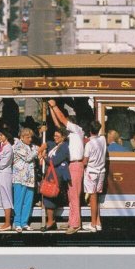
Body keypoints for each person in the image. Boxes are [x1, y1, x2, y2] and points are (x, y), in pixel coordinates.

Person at [47, 99, 84, 234]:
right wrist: (51, 110)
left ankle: (75, 224)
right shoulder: (72, 134)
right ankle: (72, 222)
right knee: (71, 195)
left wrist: (55, 105)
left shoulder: (76, 129)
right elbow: (58, 123)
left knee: (74, 196)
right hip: (72, 165)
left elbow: (62, 119)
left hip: (76, 165)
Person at [12, 128, 46, 232]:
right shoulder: (18, 146)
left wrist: (41, 135)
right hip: (20, 178)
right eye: (28, 137)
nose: (30, 139)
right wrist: (39, 150)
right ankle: (17, 222)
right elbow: (28, 157)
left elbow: (40, 147)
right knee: (19, 201)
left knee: (28, 201)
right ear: (22, 137)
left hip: (30, 178)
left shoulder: (32, 146)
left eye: (31, 137)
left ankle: (24, 222)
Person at [39, 127, 71, 232]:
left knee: (50, 195)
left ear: (63, 137)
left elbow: (55, 161)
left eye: (57, 136)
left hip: (57, 175)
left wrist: (44, 158)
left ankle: (50, 222)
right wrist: (40, 149)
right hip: (51, 174)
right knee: (48, 196)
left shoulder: (64, 147)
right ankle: (51, 220)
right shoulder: (56, 145)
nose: (55, 138)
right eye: (54, 136)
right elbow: (48, 143)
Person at [82, 120, 107, 232]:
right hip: (101, 171)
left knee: (92, 198)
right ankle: (98, 222)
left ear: (89, 130)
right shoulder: (103, 140)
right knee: (96, 197)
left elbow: (85, 161)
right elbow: (101, 136)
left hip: (91, 172)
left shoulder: (88, 144)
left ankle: (92, 224)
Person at [0, 129, 14, 230]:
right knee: (2, 196)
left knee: (6, 196)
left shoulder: (8, 148)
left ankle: (8, 222)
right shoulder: (2, 147)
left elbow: (3, 163)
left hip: (5, 173)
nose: (0, 137)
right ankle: (5, 221)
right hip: (0, 173)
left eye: (1, 135)